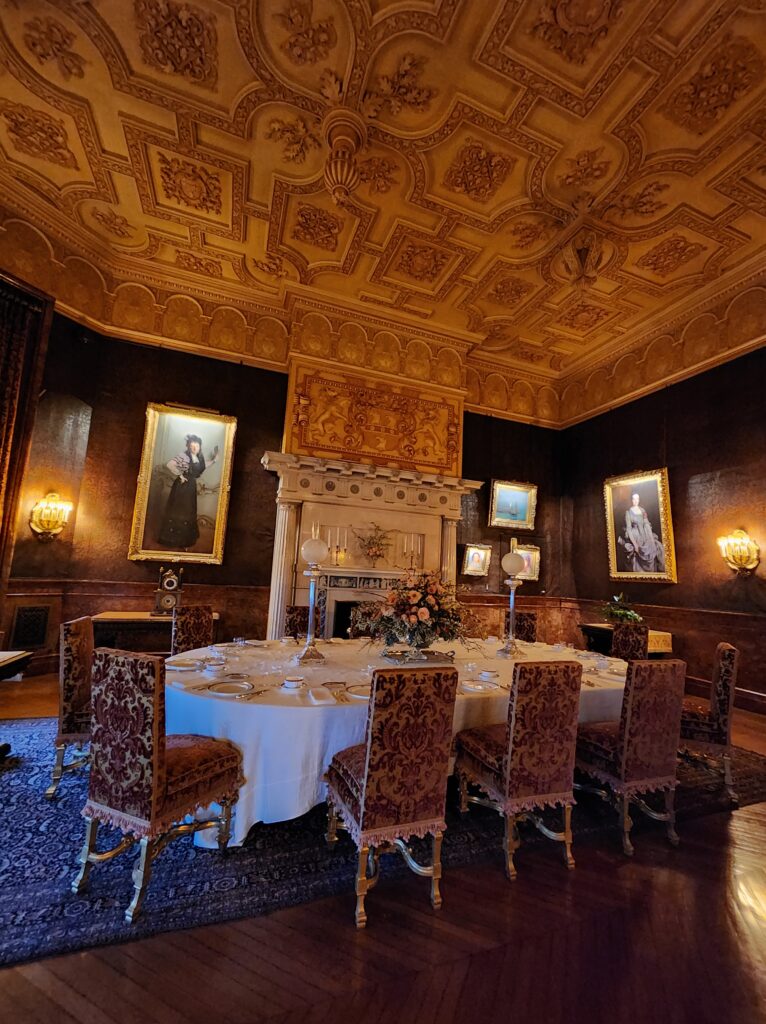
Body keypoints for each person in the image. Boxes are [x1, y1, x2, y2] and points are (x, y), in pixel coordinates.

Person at [158, 434, 218, 549]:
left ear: (200, 446)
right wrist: (180, 475)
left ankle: (186, 540)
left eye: (197, 445)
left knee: (189, 511)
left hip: (190, 487)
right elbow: (170, 464)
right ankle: (174, 540)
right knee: (180, 511)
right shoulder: (184, 456)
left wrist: (214, 460)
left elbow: (204, 465)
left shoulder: (199, 457)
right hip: (181, 487)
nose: (195, 447)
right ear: (188, 446)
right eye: (192, 445)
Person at [619, 492, 665, 573]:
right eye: (634, 499)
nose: (636, 500)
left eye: (637, 498)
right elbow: (629, 529)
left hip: (645, 534)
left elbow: (646, 523)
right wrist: (635, 544)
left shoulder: (643, 510)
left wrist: (650, 537)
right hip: (636, 535)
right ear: (631, 500)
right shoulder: (628, 513)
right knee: (638, 552)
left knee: (656, 547)